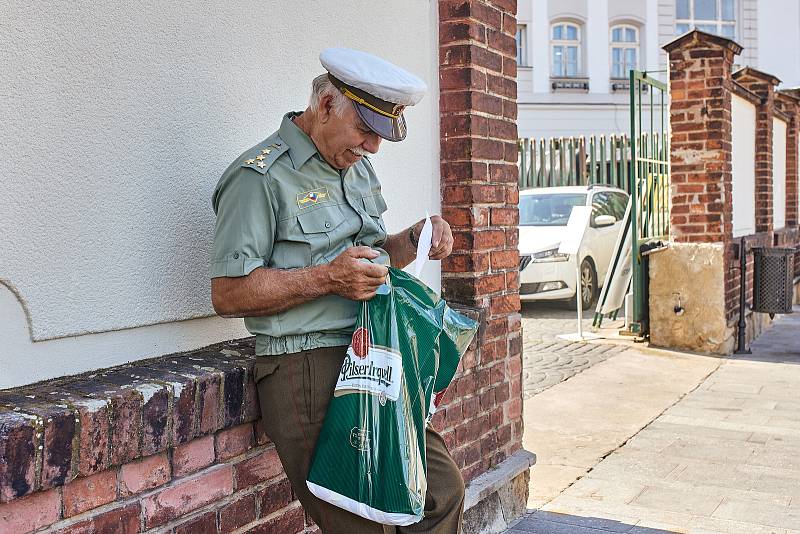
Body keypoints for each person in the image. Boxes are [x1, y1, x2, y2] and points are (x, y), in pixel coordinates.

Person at [210, 48, 463, 533]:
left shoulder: (355, 166)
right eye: (366, 130)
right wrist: (328, 278)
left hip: (373, 357)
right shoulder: (258, 177)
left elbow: (367, 253)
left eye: (381, 135)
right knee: (364, 526)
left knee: (441, 492)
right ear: (326, 106)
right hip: (305, 366)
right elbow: (228, 293)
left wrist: (412, 240)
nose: (373, 147)